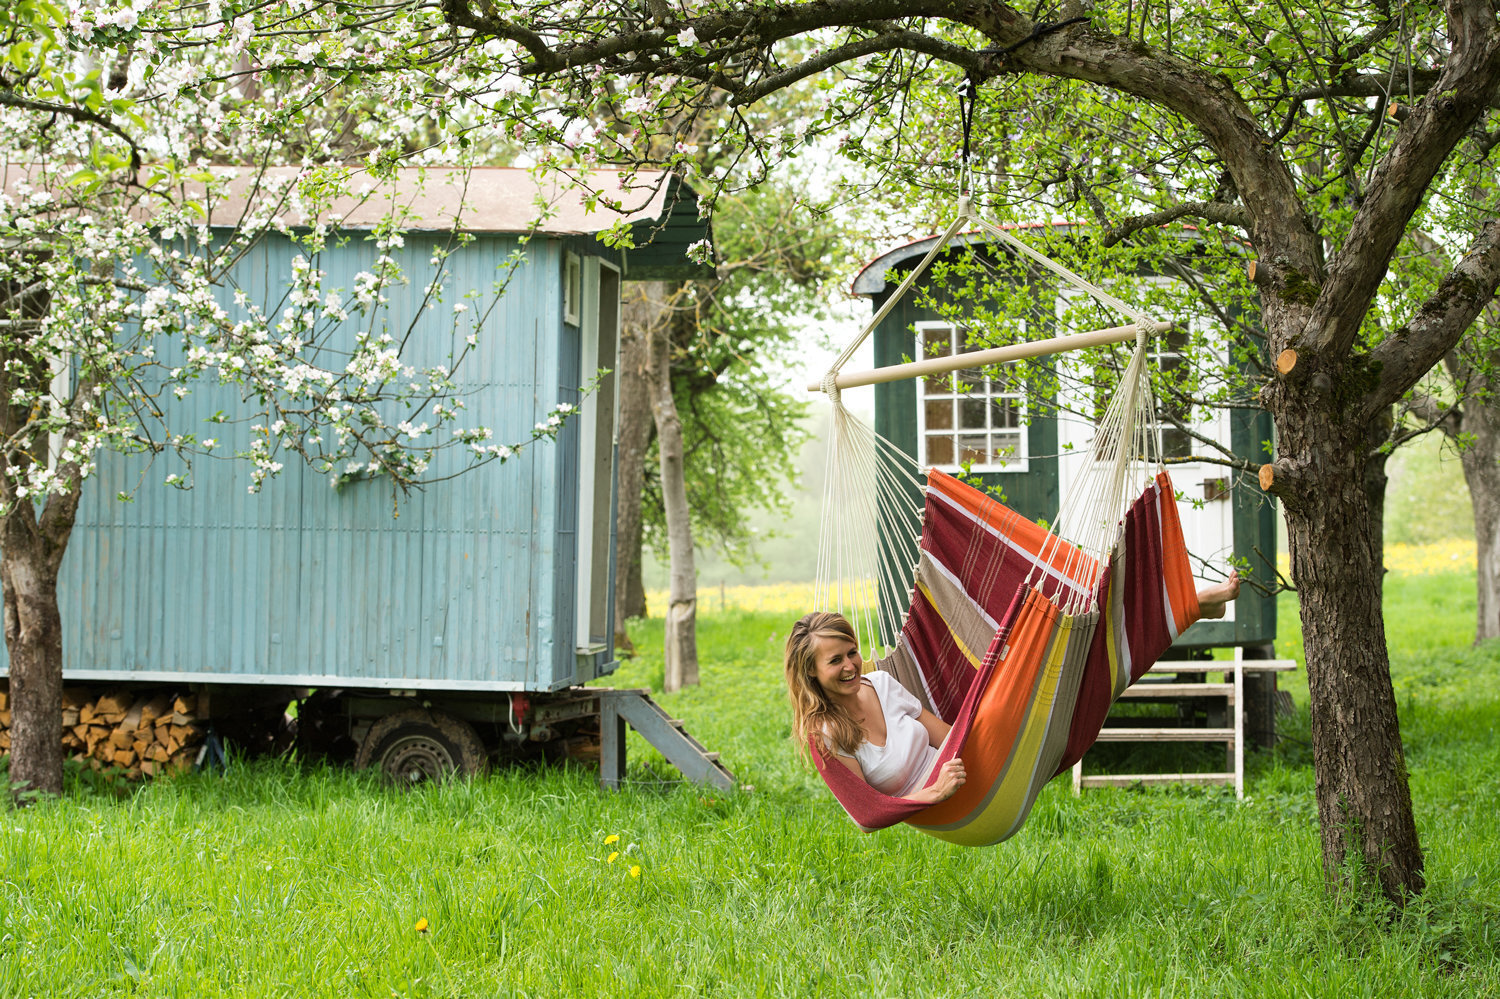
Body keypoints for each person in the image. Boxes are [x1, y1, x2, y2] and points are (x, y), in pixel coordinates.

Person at [784, 571, 1241, 802]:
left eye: (851, 652)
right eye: (835, 661)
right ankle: (1183, 609)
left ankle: (1183, 604)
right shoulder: (826, 733)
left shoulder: (881, 683)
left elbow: (945, 734)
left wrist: (987, 745)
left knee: (1050, 654)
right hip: (944, 802)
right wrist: (934, 794)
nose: (849, 665)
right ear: (810, 674)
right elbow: (867, 813)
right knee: (1046, 672)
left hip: (975, 768)